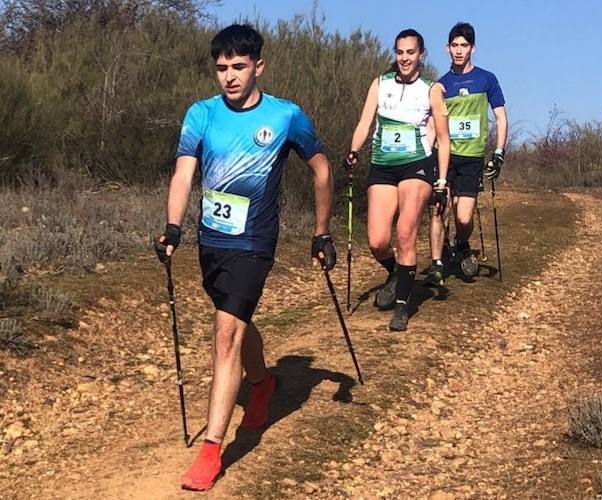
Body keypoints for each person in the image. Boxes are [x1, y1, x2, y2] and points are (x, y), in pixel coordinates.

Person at [155, 24, 335, 491]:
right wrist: (173, 226)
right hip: (211, 239)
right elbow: (182, 174)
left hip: (255, 241)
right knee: (233, 317)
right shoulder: (201, 114)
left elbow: (321, 168)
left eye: (239, 67)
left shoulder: (285, 116)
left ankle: (212, 450)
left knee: (225, 333)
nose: (229, 77)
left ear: (259, 66)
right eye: (221, 69)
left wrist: (321, 231)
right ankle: (263, 382)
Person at [345, 28, 450, 331]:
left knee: (405, 232)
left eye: (411, 52)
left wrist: (441, 182)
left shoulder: (432, 90)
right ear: (395, 53)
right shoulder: (380, 84)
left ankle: (403, 305)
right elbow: (365, 122)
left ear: (421, 55)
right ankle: (397, 272)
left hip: (416, 165)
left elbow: (444, 139)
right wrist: (353, 150)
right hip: (382, 165)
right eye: (400, 52)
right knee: (377, 241)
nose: (405, 58)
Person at [425, 22, 507, 285]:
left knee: (463, 216)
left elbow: (501, 117)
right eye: (455, 46)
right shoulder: (441, 85)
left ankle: (462, 243)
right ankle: (437, 263)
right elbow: (430, 123)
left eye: (464, 46)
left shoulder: (487, 79)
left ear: (473, 48)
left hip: (472, 157)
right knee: (439, 209)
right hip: (445, 155)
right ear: (447, 48)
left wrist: (499, 152)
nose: (459, 51)